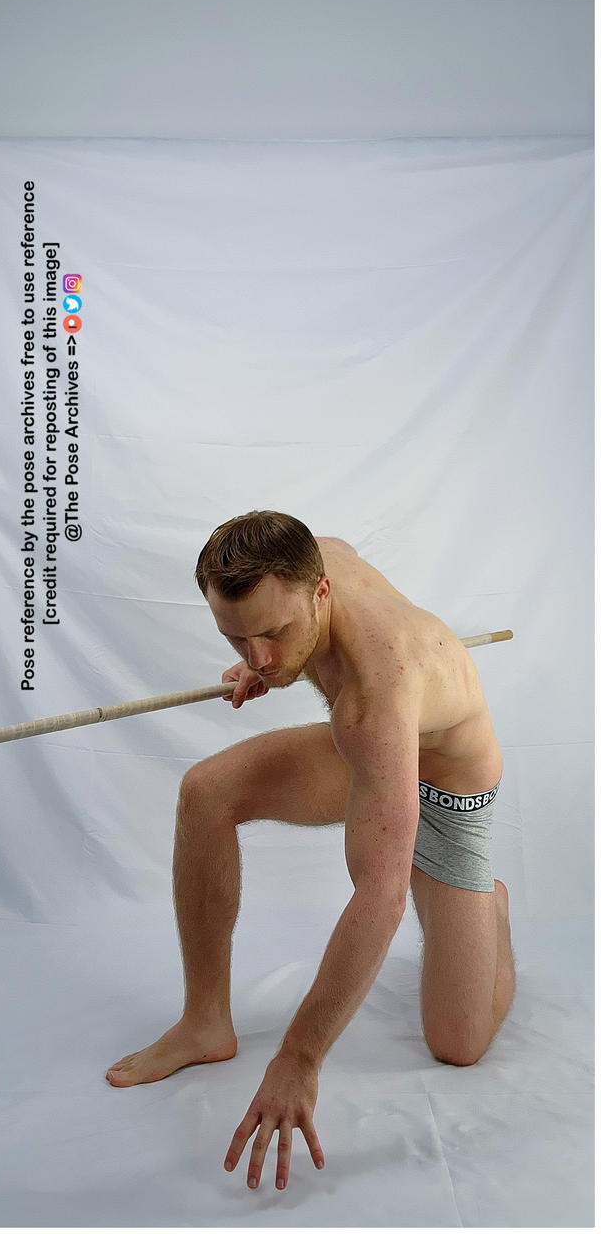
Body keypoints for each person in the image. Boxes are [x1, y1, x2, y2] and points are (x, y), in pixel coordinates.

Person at [105, 510, 512, 1192]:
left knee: (458, 1045)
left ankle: (489, 908)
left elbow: (378, 899)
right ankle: (205, 1022)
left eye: (275, 633)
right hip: (380, 760)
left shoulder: (372, 701)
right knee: (206, 793)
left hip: (445, 786)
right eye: (238, 635)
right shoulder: (315, 557)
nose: (259, 654)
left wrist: (299, 1058)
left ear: (319, 595)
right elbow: (299, 614)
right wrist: (269, 657)